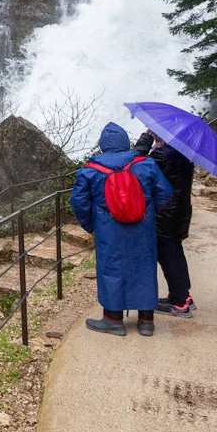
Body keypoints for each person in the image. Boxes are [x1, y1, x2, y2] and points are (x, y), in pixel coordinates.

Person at [70, 123, 173, 337]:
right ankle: (146, 321)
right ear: (126, 142)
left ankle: (113, 320)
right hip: (142, 227)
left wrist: (91, 224)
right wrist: (147, 210)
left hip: (108, 228)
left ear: (102, 146)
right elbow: (164, 193)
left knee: (111, 268)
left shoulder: (89, 170)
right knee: (144, 267)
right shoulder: (146, 163)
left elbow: (79, 202)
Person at [135, 130, 197, 318]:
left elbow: (135, 164)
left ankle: (179, 303)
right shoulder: (183, 151)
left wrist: (146, 139)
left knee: (168, 256)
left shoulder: (164, 154)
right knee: (174, 253)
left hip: (165, 214)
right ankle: (182, 296)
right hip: (178, 211)